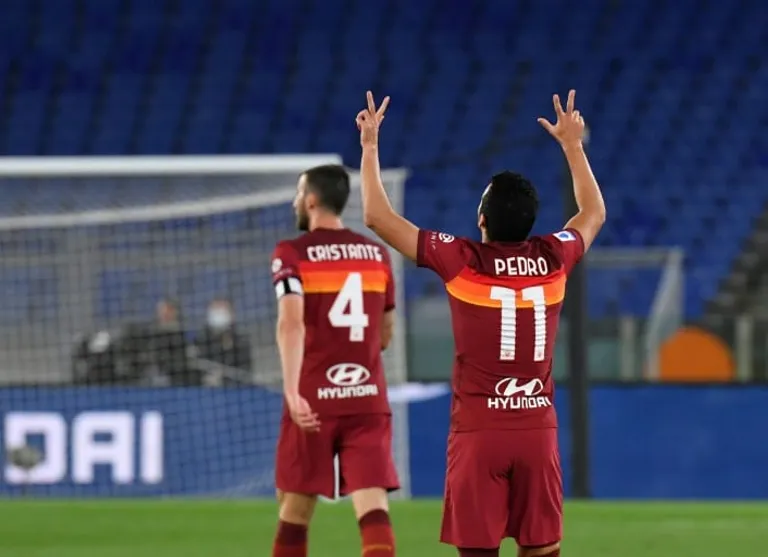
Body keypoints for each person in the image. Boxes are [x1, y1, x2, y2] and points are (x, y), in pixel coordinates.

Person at [356, 90, 605, 557]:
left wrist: (370, 145)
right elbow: (593, 213)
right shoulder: (554, 256)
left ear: (482, 219)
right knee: (542, 549)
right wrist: (573, 145)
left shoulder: (462, 259)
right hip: (537, 431)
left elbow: (376, 216)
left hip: (479, 432)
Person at [269, 164, 399, 557]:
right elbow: (386, 333)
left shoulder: (292, 253)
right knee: (373, 506)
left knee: (295, 509)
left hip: (312, 399)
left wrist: (292, 391)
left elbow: (291, 323)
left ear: (311, 200)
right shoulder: (377, 254)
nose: (295, 201)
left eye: (298, 193)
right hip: (366, 398)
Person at [194, 298, 252, 384]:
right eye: (215, 310)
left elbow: (244, 373)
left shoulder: (241, 342)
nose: (218, 314)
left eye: (221, 310)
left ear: (232, 315)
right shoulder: (200, 340)